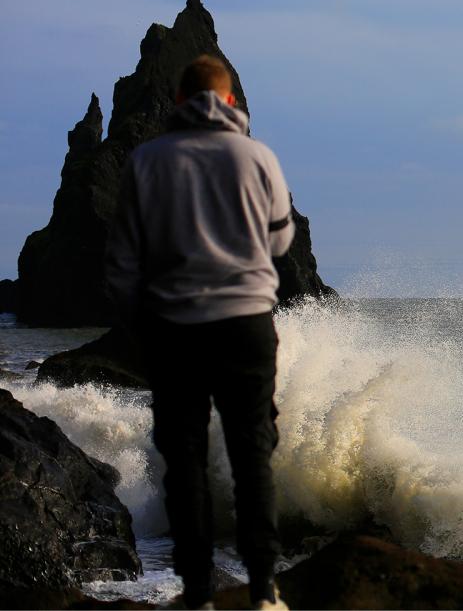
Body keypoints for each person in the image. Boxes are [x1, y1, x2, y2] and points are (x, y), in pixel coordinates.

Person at [105, 55, 294, 610]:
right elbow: (280, 242)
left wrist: (140, 321)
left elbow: (121, 265)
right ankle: (263, 590)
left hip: (174, 328)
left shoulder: (147, 161)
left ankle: (197, 594)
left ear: (178, 103)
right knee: (252, 454)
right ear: (231, 101)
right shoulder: (258, 156)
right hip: (247, 324)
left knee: (184, 459)